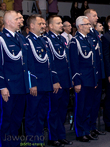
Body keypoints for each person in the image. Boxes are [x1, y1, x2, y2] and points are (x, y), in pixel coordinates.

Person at [0, 10, 36, 147]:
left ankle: (14, 143)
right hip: (9, 87)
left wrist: (29, 83)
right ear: (8, 21)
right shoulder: (0, 38)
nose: (21, 21)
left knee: (17, 119)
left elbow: (26, 64)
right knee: (6, 119)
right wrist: (2, 86)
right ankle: (4, 144)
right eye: (17, 18)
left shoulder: (21, 38)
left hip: (22, 86)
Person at [25, 14, 60, 145]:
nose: (43, 26)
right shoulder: (28, 41)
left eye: (44, 24)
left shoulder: (43, 40)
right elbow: (29, 65)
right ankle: (31, 141)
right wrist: (32, 83)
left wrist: (54, 80)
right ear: (32, 25)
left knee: (41, 114)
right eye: (40, 24)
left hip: (46, 84)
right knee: (32, 115)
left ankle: (39, 139)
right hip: (36, 85)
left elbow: (50, 62)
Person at [44, 15, 73, 146]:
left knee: (63, 110)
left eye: (61, 23)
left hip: (65, 79)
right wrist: (55, 80)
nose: (61, 25)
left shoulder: (61, 39)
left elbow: (66, 60)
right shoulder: (47, 40)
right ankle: (52, 136)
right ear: (50, 26)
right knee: (54, 110)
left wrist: (70, 79)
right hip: (56, 81)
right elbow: (50, 63)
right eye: (58, 23)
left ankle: (61, 135)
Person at [70, 16, 99, 142]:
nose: (89, 26)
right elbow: (74, 63)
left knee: (88, 106)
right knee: (80, 107)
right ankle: (80, 132)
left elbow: (94, 62)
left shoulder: (90, 40)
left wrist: (96, 79)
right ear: (80, 26)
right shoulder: (74, 41)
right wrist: (77, 82)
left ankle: (87, 130)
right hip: (82, 80)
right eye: (87, 24)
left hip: (91, 79)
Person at [84, 9, 106, 137]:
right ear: (87, 18)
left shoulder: (94, 32)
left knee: (96, 102)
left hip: (97, 74)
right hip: (90, 75)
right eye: (94, 15)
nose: (97, 18)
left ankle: (92, 127)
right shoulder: (87, 34)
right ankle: (86, 129)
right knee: (88, 104)